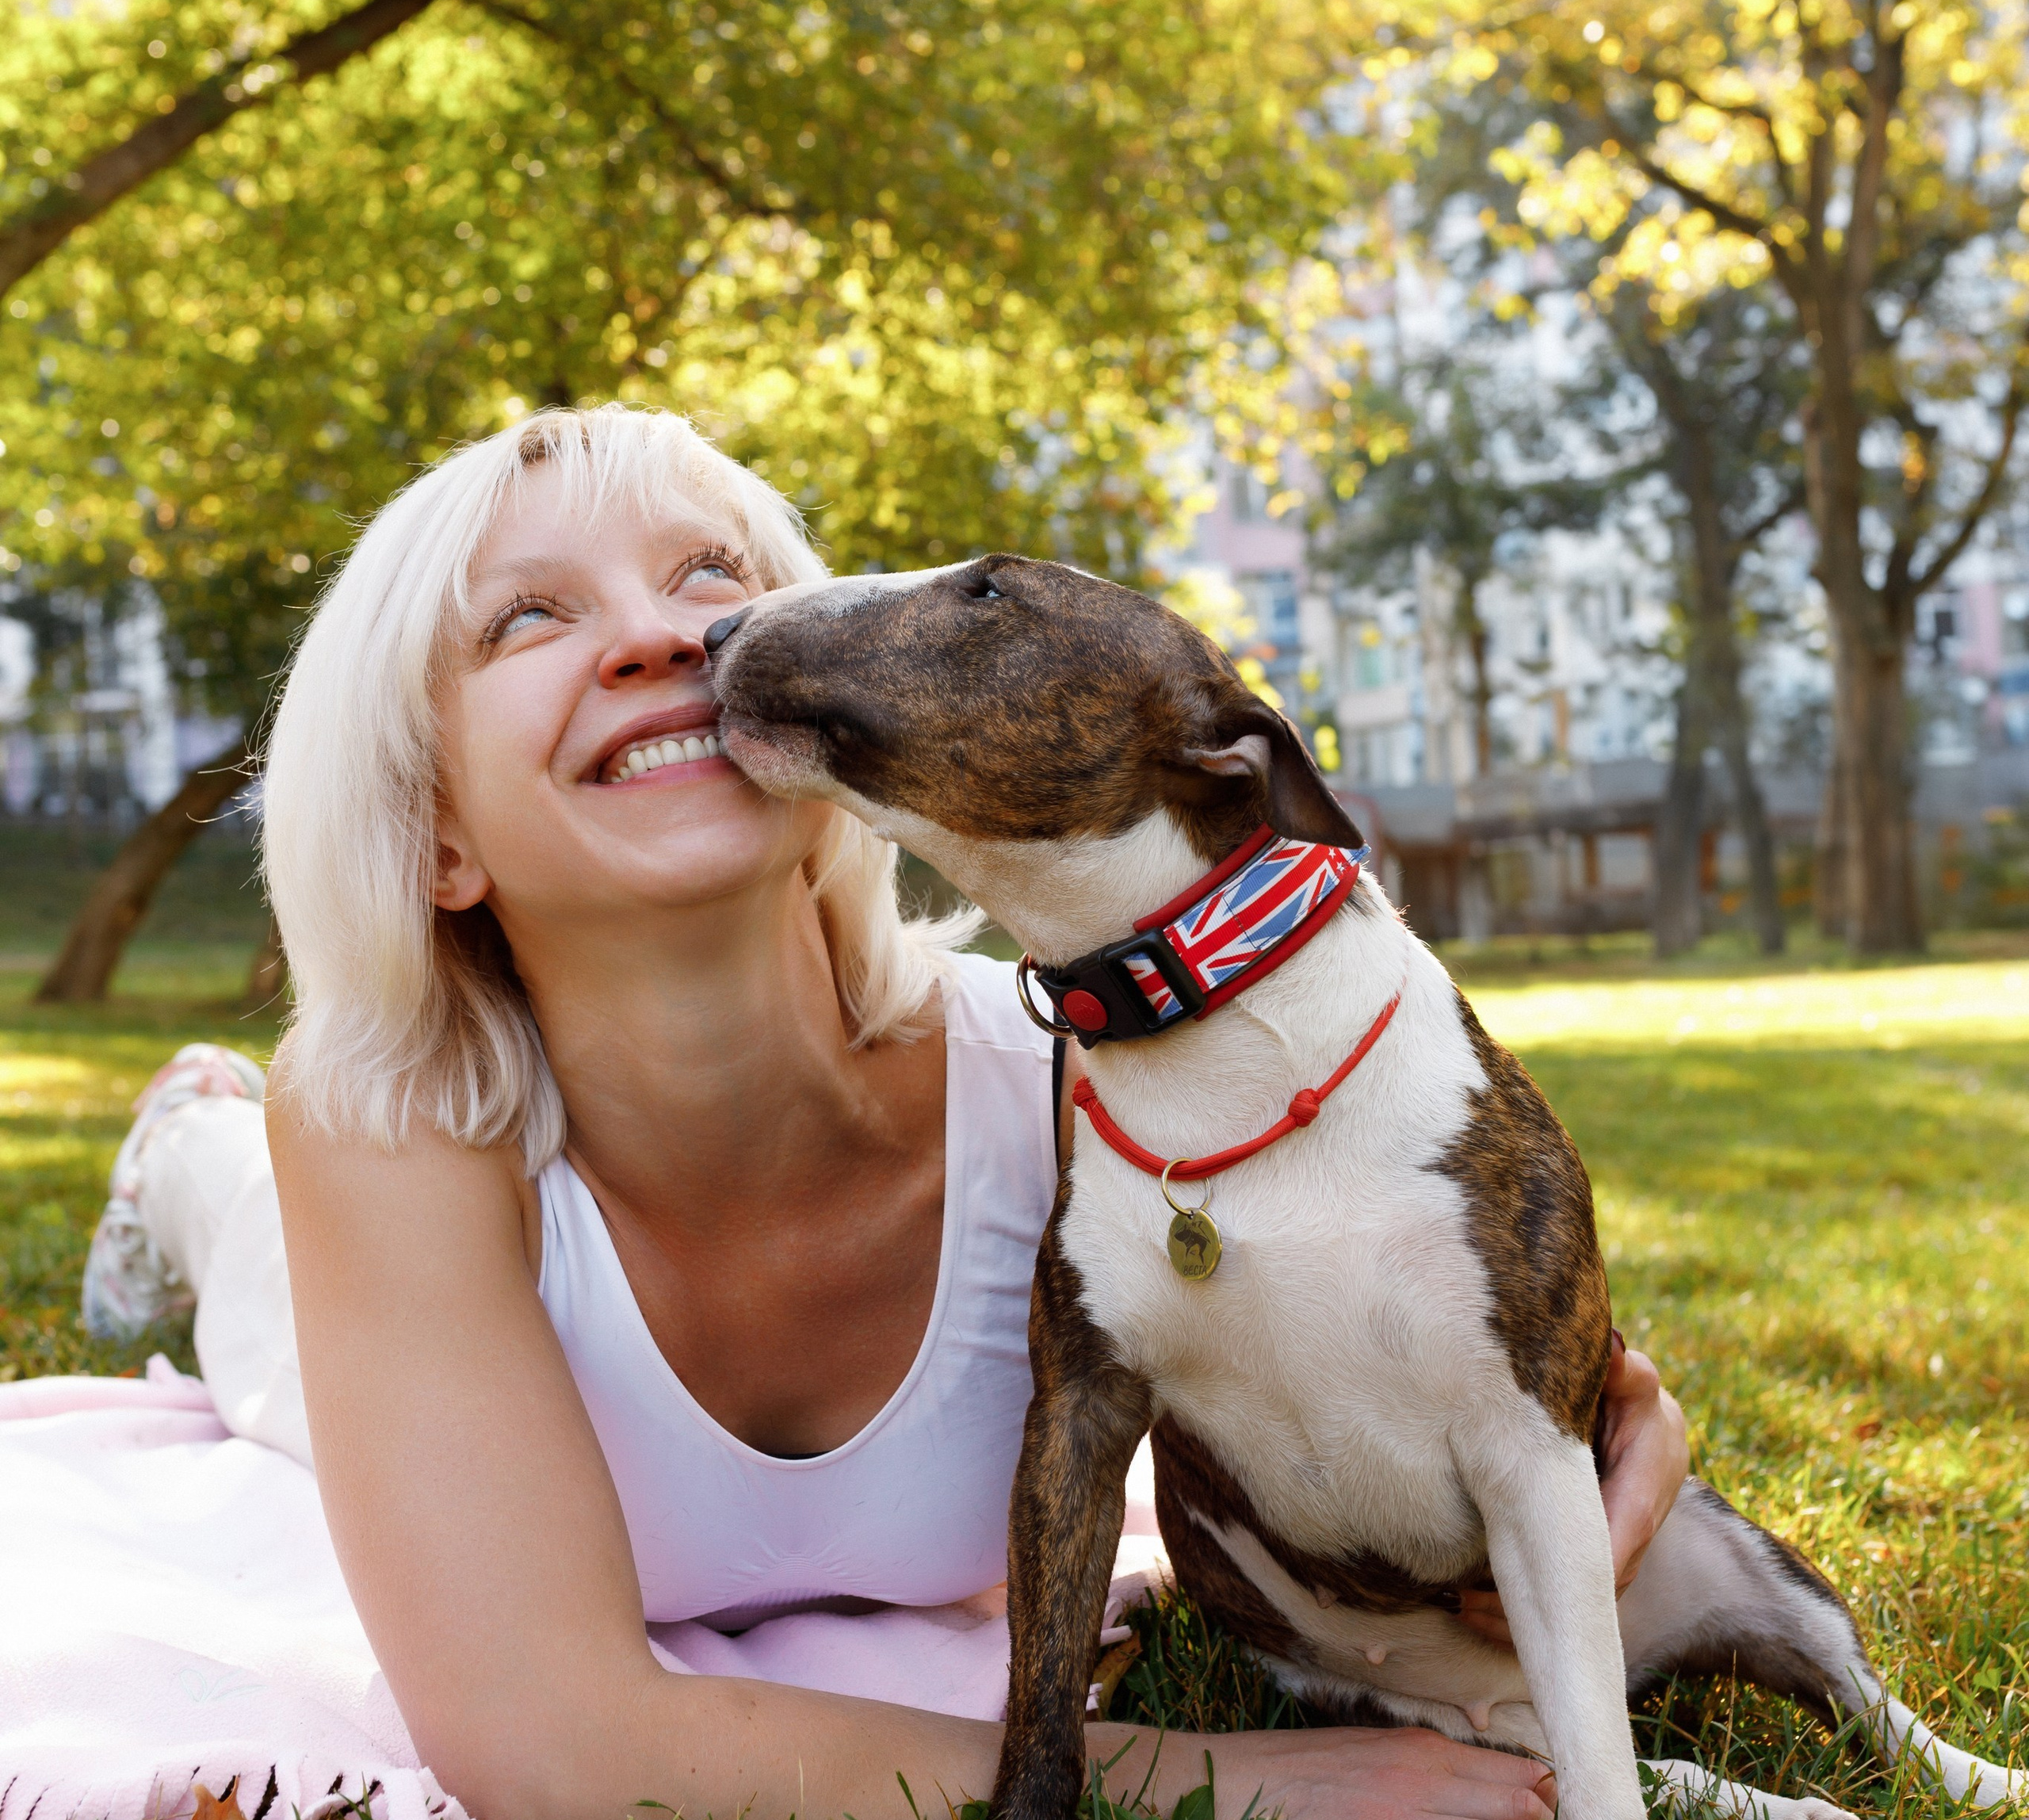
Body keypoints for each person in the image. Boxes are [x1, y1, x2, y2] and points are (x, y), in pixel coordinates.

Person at [87, 407, 1689, 1820]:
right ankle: (187, 1149)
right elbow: (553, 1746)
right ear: (439, 838)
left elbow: (1451, 1311)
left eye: (708, 576)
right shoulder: (389, 1130)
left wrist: (1623, 1428)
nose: (662, 638)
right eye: (528, 616)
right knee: (261, 1307)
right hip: (356, 1286)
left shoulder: (1072, 1078)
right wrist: (1220, 1778)